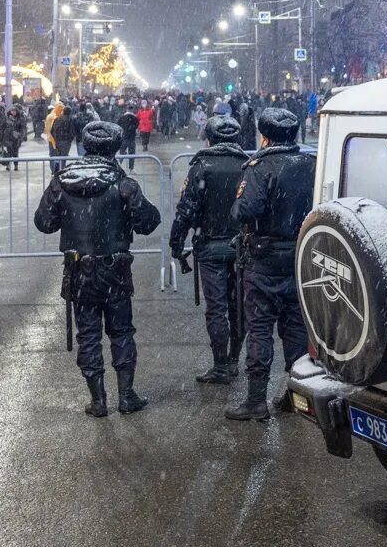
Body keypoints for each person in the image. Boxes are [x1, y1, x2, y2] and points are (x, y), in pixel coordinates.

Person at [34, 119, 161, 417]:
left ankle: (98, 399)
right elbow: (149, 221)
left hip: (79, 271)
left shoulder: (62, 181)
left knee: (88, 334)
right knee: (121, 331)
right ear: (114, 149)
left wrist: (68, 215)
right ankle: (126, 395)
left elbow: (44, 222)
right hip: (115, 270)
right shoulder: (123, 185)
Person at [226, 107, 316, 421]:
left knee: (259, 328)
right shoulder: (310, 164)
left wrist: (236, 206)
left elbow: (245, 210)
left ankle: (255, 400)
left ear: (264, 137)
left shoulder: (258, 167)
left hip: (263, 260)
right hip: (299, 257)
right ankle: (295, 394)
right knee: (295, 328)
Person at [169, 115, 250, 384]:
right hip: (241, 248)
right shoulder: (248, 166)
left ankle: (220, 365)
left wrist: (177, 243)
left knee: (216, 309)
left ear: (209, 138)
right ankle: (234, 360)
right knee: (238, 306)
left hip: (211, 248)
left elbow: (186, 211)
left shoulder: (201, 167)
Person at [46, 97, 77, 175]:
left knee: (56, 156)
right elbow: (72, 131)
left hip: (54, 140)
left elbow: (52, 130)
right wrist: (70, 139)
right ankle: (60, 171)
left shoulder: (54, 117)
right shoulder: (69, 119)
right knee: (63, 157)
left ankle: (55, 170)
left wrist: (55, 138)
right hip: (64, 141)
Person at [0, 102, 28, 171]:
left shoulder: (20, 119)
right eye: (12, 111)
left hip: (16, 140)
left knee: (15, 153)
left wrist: (21, 135)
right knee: (9, 153)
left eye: (14, 111)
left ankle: (16, 165)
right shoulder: (6, 118)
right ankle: (8, 165)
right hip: (7, 139)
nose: (13, 112)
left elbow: (23, 129)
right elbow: (2, 129)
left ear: (17, 111)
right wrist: (0, 139)